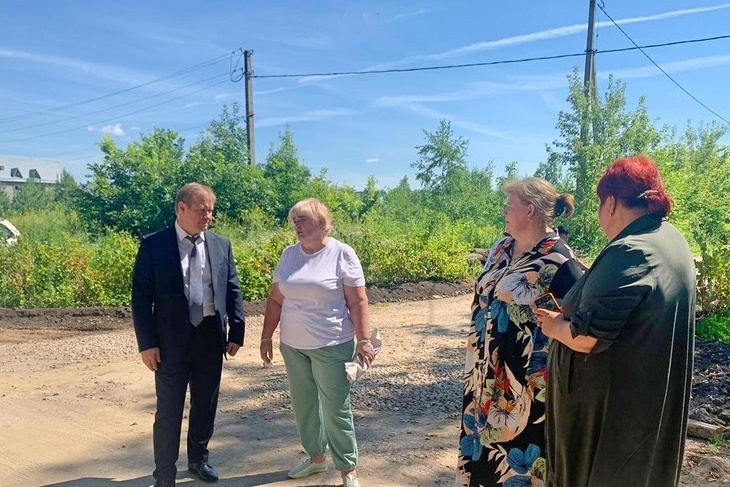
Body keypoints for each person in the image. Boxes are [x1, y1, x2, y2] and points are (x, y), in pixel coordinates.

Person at [535, 156, 696, 487]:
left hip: (610, 428)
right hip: (643, 411)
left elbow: (586, 339)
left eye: (599, 205)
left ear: (610, 203)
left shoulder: (631, 251)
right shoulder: (671, 238)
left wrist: (553, 326)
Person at [457, 178, 583, 486]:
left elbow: (574, 324)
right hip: (482, 372)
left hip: (522, 384)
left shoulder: (558, 260)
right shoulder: (501, 248)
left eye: (509, 206)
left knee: (516, 463)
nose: (504, 212)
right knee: (481, 456)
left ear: (530, 210)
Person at [132, 182, 245, 487]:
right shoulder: (154, 245)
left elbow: (232, 287)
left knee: (205, 403)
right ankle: (165, 474)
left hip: (209, 335)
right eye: (202, 210)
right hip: (169, 341)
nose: (208, 216)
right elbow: (141, 298)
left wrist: (237, 330)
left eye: (211, 211)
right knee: (169, 409)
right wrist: (147, 344)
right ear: (181, 208)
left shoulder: (220, 245)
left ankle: (198, 460)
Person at [260, 198, 376, 487]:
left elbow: (358, 300)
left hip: (332, 344)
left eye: (303, 220)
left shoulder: (341, 253)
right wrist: (266, 336)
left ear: (322, 223)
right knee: (304, 406)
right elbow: (276, 299)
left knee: (336, 408)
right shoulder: (289, 255)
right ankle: (316, 458)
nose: (297, 225)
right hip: (293, 346)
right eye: (294, 220)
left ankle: (348, 469)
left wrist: (364, 340)